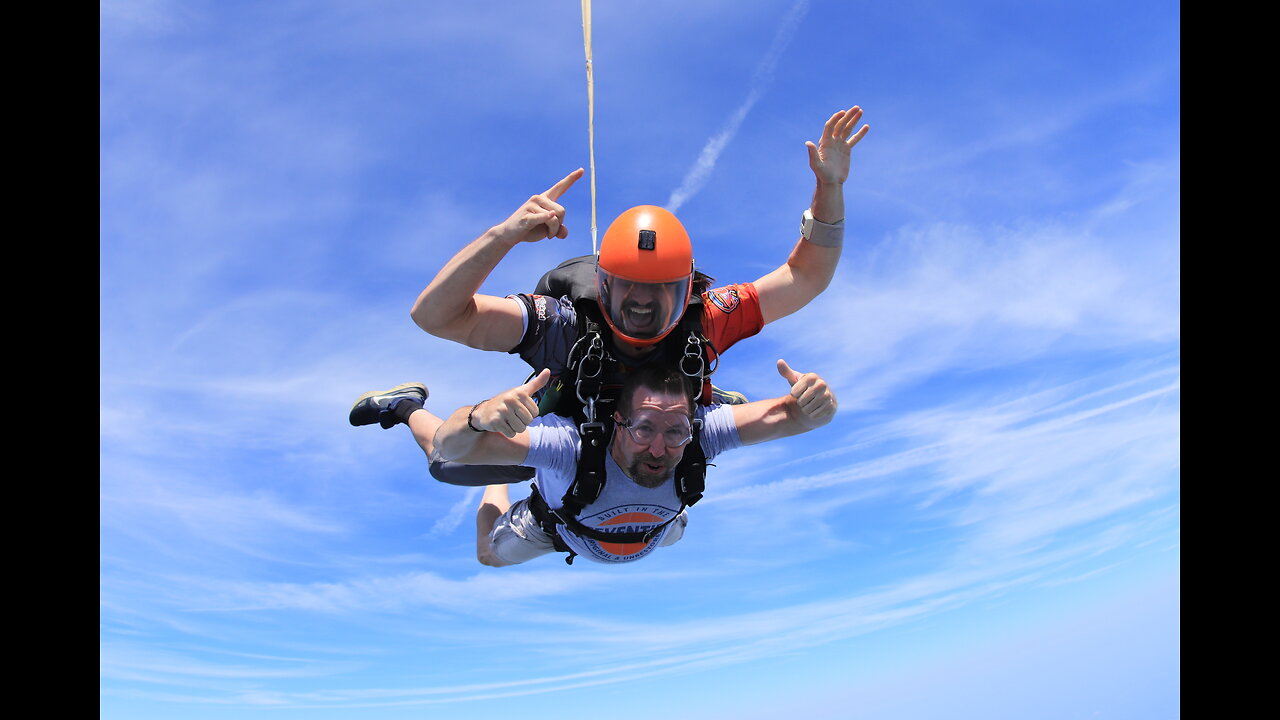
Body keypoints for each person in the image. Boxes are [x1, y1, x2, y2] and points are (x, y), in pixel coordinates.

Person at [353, 106, 868, 485]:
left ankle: (706, 400)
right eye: (627, 292)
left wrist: (830, 189)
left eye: (661, 294)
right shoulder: (562, 322)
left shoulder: (705, 316)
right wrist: (503, 234)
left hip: (645, 429)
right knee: (448, 463)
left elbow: (805, 277)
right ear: (601, 287)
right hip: (571, 424)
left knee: (678, 449)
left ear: (688, 290)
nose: (642, 307)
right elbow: (436, 316)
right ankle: (403, 408)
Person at [391, 358, 836, 566]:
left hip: (656, 528)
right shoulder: (567, 447)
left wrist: (819, 405)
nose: (659, 450)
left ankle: (706, 404)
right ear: (618, 421)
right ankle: (404, 407)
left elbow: (794, 416)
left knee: (673, 530)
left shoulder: (699, 436)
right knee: (485, 547)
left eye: (675, 432)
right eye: (644, 429)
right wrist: (478, 417)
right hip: (556, 523)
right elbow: (452, 448)